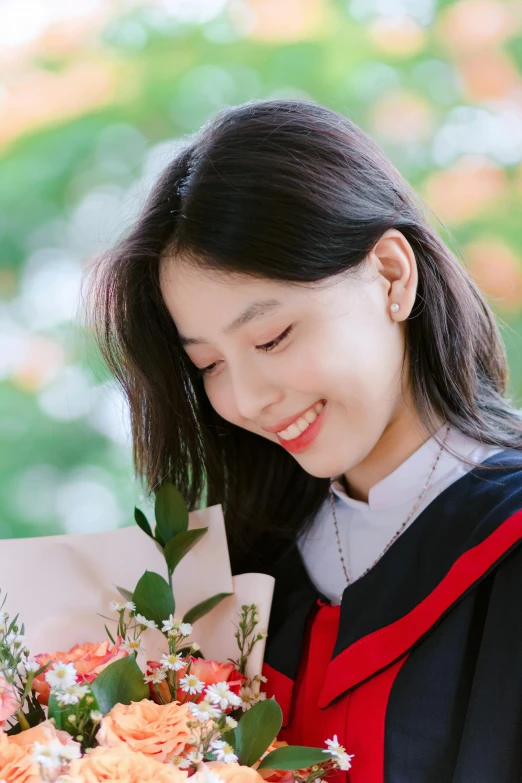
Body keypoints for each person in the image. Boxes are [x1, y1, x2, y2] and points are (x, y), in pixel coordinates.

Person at [83, 99, 522, 782]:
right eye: (211, 365)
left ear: (391, 274)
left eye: (272, 336)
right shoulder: (235, 580)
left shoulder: (507, 544)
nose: (249, 397)